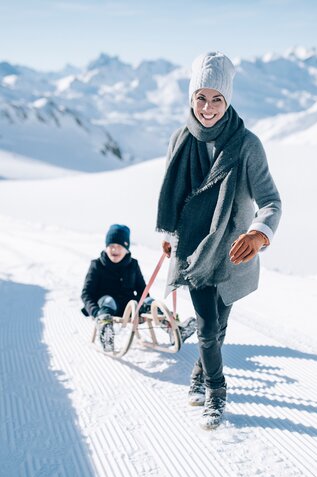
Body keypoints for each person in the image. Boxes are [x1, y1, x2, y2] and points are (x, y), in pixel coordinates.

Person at [156, 51, 281, 429]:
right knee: (208, 327)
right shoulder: (180, 139)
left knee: (218, 326)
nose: (208, 107)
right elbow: (171, 193)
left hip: (232, 253)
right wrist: (167, 235)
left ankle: (198, 374)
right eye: (201, 97)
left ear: (227, 101)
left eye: (217, 99)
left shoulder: (246, 145)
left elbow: (271, 200)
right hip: (194, 251)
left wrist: (259, 234)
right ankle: (216, 390)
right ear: (191, 98)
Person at [81, 224, 148, 352]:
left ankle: (172, 326)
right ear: (106, 247)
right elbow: (86, 293)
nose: (114, 250)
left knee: (149, 302)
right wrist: (95, 312)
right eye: (111, 246)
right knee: (108, 301)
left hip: (128, 307)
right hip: (106, 309)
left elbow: (142, 290)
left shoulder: (133, 264)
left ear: (126, 248)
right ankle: (106, 333)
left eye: (119, 246)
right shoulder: (97, 265)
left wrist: (142, 307)